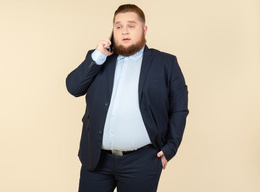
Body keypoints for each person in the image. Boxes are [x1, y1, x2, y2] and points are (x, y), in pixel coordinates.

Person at [66, 4, 189, 192]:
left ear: (144, 30)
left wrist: (170, 148)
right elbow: (73, 87)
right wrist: (97, 56)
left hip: (142, 162)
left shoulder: (166, 63)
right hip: (97, 160)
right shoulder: (98, 59)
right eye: (118, 26)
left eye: (131, 26)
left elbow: (179, 108)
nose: (124, 31)